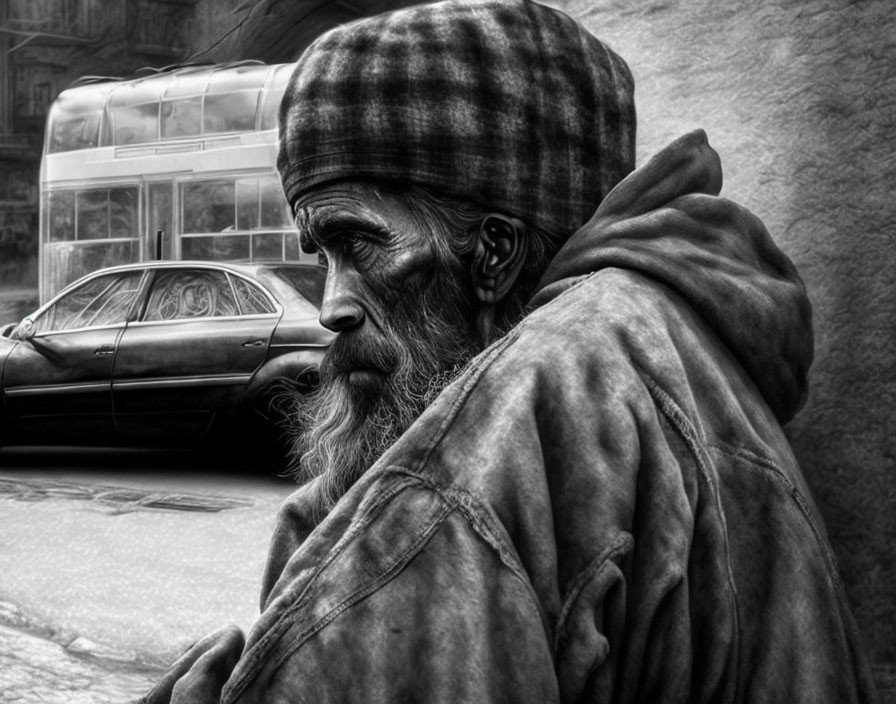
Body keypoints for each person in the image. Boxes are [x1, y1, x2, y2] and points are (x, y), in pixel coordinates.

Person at [143, 0, 878, 702]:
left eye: (359, 245)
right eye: (320, 256)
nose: (332, 305)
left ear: (494, 253)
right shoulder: (665, 340)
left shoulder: (503, 427)